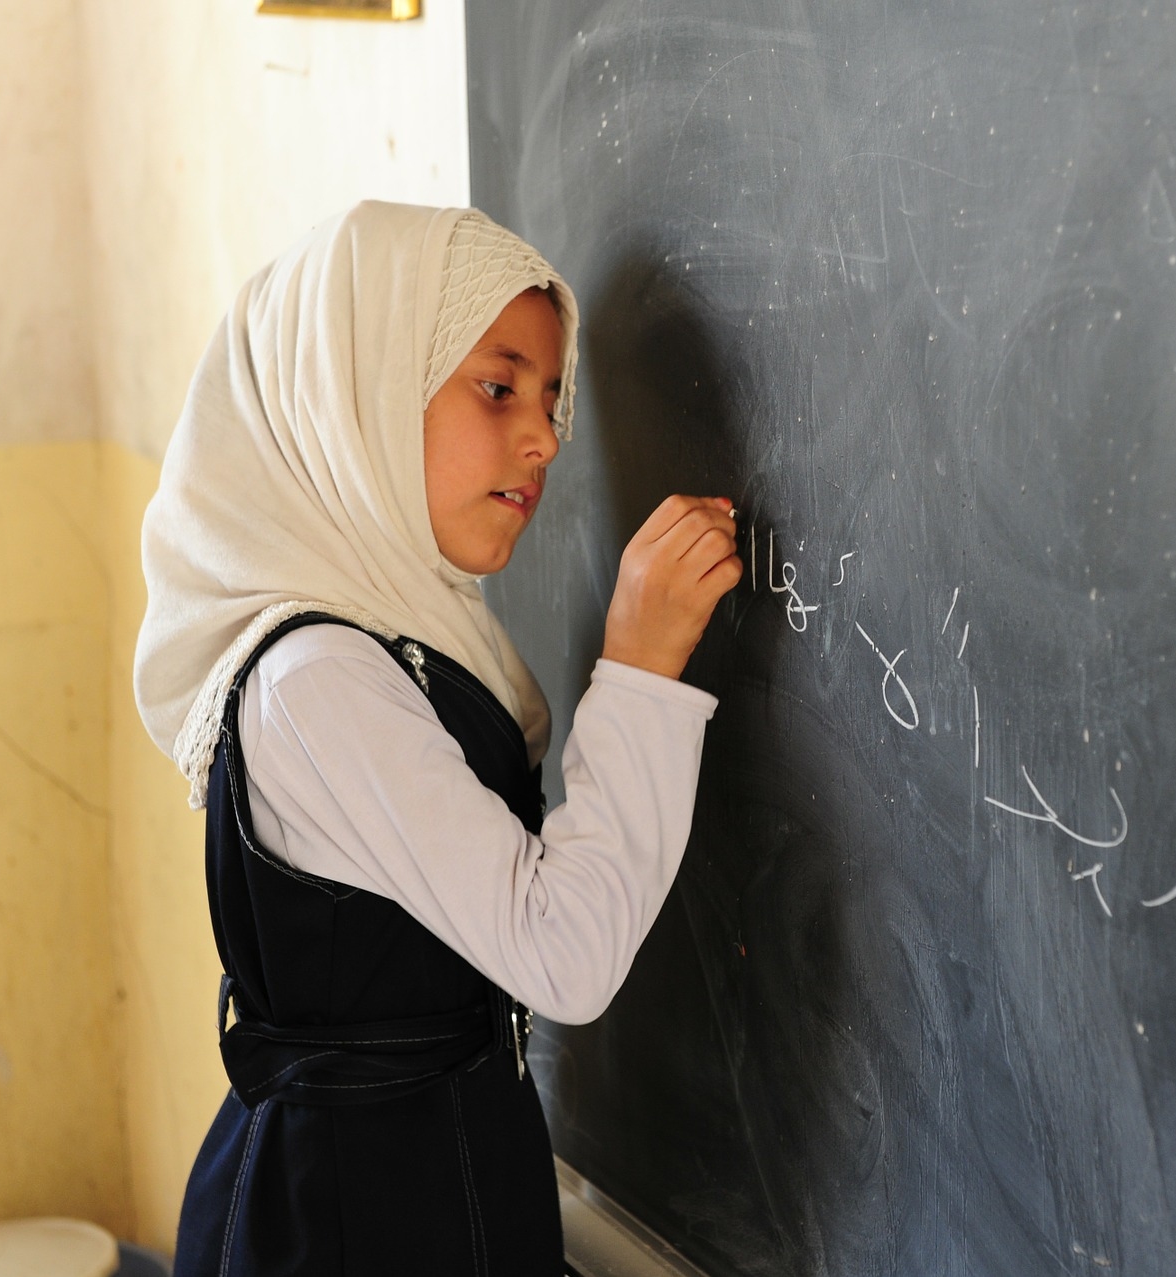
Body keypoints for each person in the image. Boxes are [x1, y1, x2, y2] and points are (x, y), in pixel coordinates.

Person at [133, 201, 741, 1275]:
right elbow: (561, 951)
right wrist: (642, 667)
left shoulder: (392, 641)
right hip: (349, 1225)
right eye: (498, 385)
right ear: (355, 391)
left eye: (552, 396)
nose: (547, 435)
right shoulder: (316, 681)